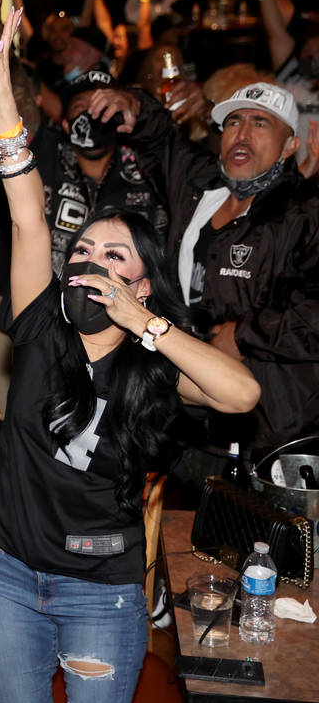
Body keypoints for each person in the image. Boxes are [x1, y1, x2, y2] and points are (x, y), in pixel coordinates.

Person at [0, 8, 260, 703]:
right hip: (6, 573)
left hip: (97, 593)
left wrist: (147, 325)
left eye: (113, 256)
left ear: (140, 281)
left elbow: (241, 396)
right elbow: (27, 214)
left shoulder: (155, 361)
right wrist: (4, 103)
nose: (89, 261)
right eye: (84, 252)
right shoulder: (43, 324)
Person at [99, 79, 319, 457]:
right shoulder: (201, 187)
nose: (243, 134)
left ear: (290, 146)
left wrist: (243, 335)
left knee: (247, 516)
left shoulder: (305, 212)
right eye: (233, 123)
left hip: (270, 424)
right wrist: (134, 104)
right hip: (187, 411)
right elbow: (163, 142)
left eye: (260, 124)